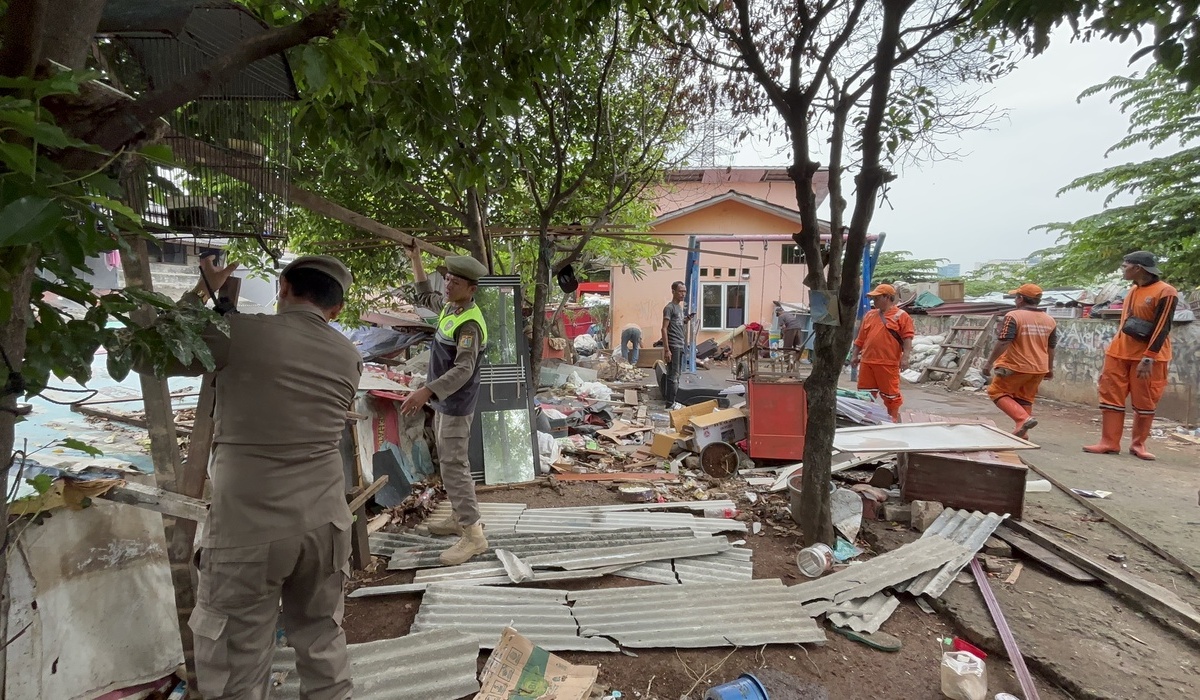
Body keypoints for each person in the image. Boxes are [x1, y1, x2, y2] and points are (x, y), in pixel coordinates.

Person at [138, 254, 362, 700]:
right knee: (322, 641)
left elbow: (151, 350)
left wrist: (204, 291)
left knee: (236, 662)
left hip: (248, 529)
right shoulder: (349, 356)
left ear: (282, 288)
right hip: (325, 523)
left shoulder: (239, 335)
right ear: (336, 309)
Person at [401, 248, 491, 562]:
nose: (448, 286)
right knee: (448, 463)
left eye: (455, 282)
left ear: (472, 289)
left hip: (456, 404)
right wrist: (415, 259)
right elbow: (426, 296)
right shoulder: (450, 309)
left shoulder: (469, 324)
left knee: (455, 467)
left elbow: (464, 369)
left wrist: (427, 391)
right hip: (444, 401)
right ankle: (459, 517)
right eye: (448, 279)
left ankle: (473, 536)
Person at [1083, 251, 1178, 460]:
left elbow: (1163, 326)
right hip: (1118, 352)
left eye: (1125, 265)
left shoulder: (1166, 292)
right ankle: (1109, 442)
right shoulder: (1133, 290)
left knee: (1145, 401)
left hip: (1148, 357)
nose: (1122, 269)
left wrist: (1149, 356)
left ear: (1138, 268)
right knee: (1110, 398)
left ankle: (1138, 445)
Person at [982, 284, 1058, 438]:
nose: (1015, 300)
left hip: (1015, 365)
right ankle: (1022, 433)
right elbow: (1051, 347)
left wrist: (989, 363)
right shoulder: (1050, 320)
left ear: (1021, 299)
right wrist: (1049, 368)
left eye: (1016, 297)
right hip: (1039, 368)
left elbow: (1004, 341)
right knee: (1024, 398)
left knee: (996, 391)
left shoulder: (1014, 316)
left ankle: (1022, 419)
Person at [850, 283, 914, 423]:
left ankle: (892, 420)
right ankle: (867, 420)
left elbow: (907, 338)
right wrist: (855, 355)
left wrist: (905, 358)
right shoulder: (870, 315)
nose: (874, 301)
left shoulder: (901, 316)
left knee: (891, 396)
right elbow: (860, 339)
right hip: (867, 361)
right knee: (865, 394)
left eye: (877, 298)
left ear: (887, 297)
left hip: (888, 362)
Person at [661, 281, 688, 406]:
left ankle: (670, 400)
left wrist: (686, 320)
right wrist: (667, 349)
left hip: (680, 344)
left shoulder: (679, 308)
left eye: (684, 291)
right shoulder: (669, 308)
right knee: (674, 374)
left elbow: (678, 324)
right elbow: (664, 328)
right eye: (680, 291)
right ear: (673, 292)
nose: (683, 294)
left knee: (676, 373)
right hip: (674, 345)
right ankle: (670, 402)